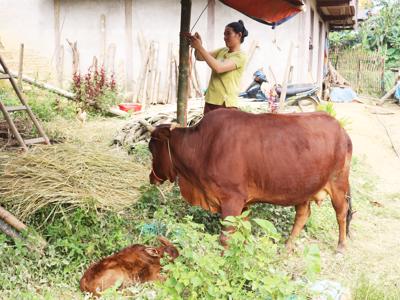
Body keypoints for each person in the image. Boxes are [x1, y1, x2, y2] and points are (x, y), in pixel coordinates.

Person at [185, 20, 248, 114]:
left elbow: (218, 68)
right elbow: (200, 57)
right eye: (224, 34)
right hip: (211, 101)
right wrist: (199, 45)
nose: (225, 38)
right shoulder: (223, 51)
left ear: (239, 35)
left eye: (228, 34)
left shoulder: (240, 56)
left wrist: (199, 47)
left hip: (225, 103)